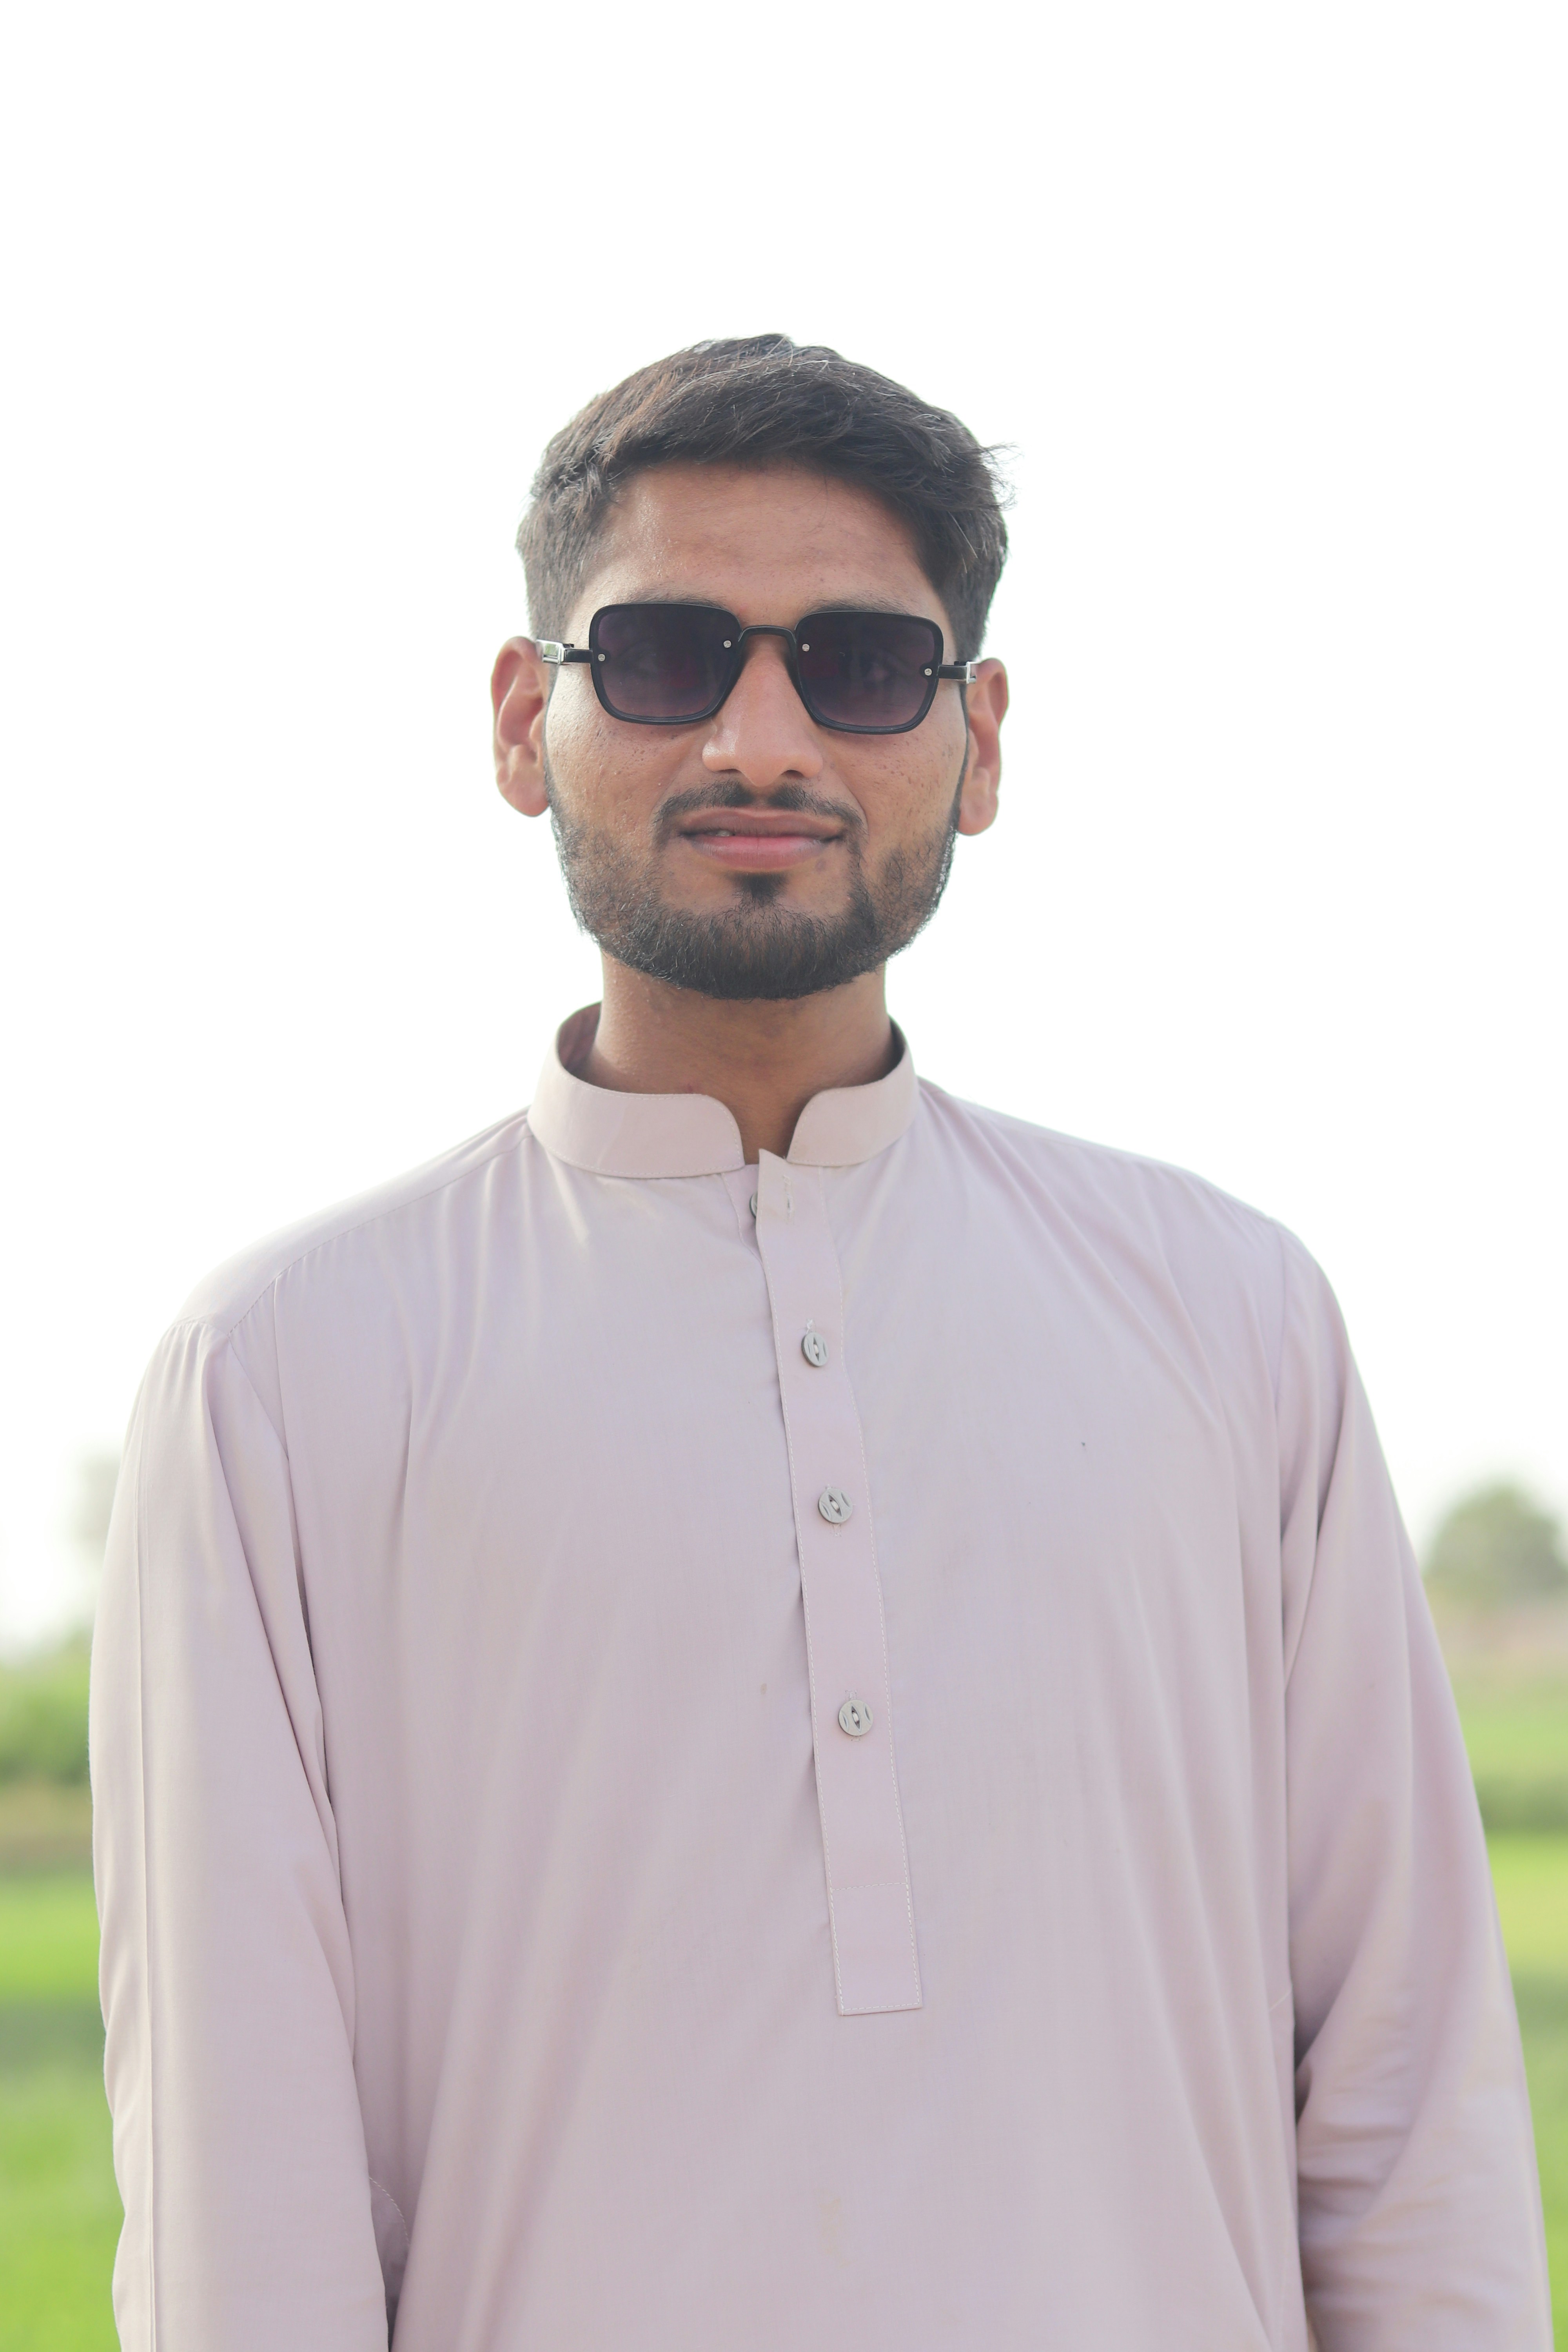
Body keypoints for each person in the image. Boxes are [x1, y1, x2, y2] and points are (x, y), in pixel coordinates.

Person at [90, 334, 1550, 2351]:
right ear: (526, 720)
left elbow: (1409, 2107)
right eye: (668, 656)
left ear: (983, 737)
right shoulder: (280, 1378)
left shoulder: (1230, 1319)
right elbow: (234, 2212)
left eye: (862, 667)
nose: (757, 740)